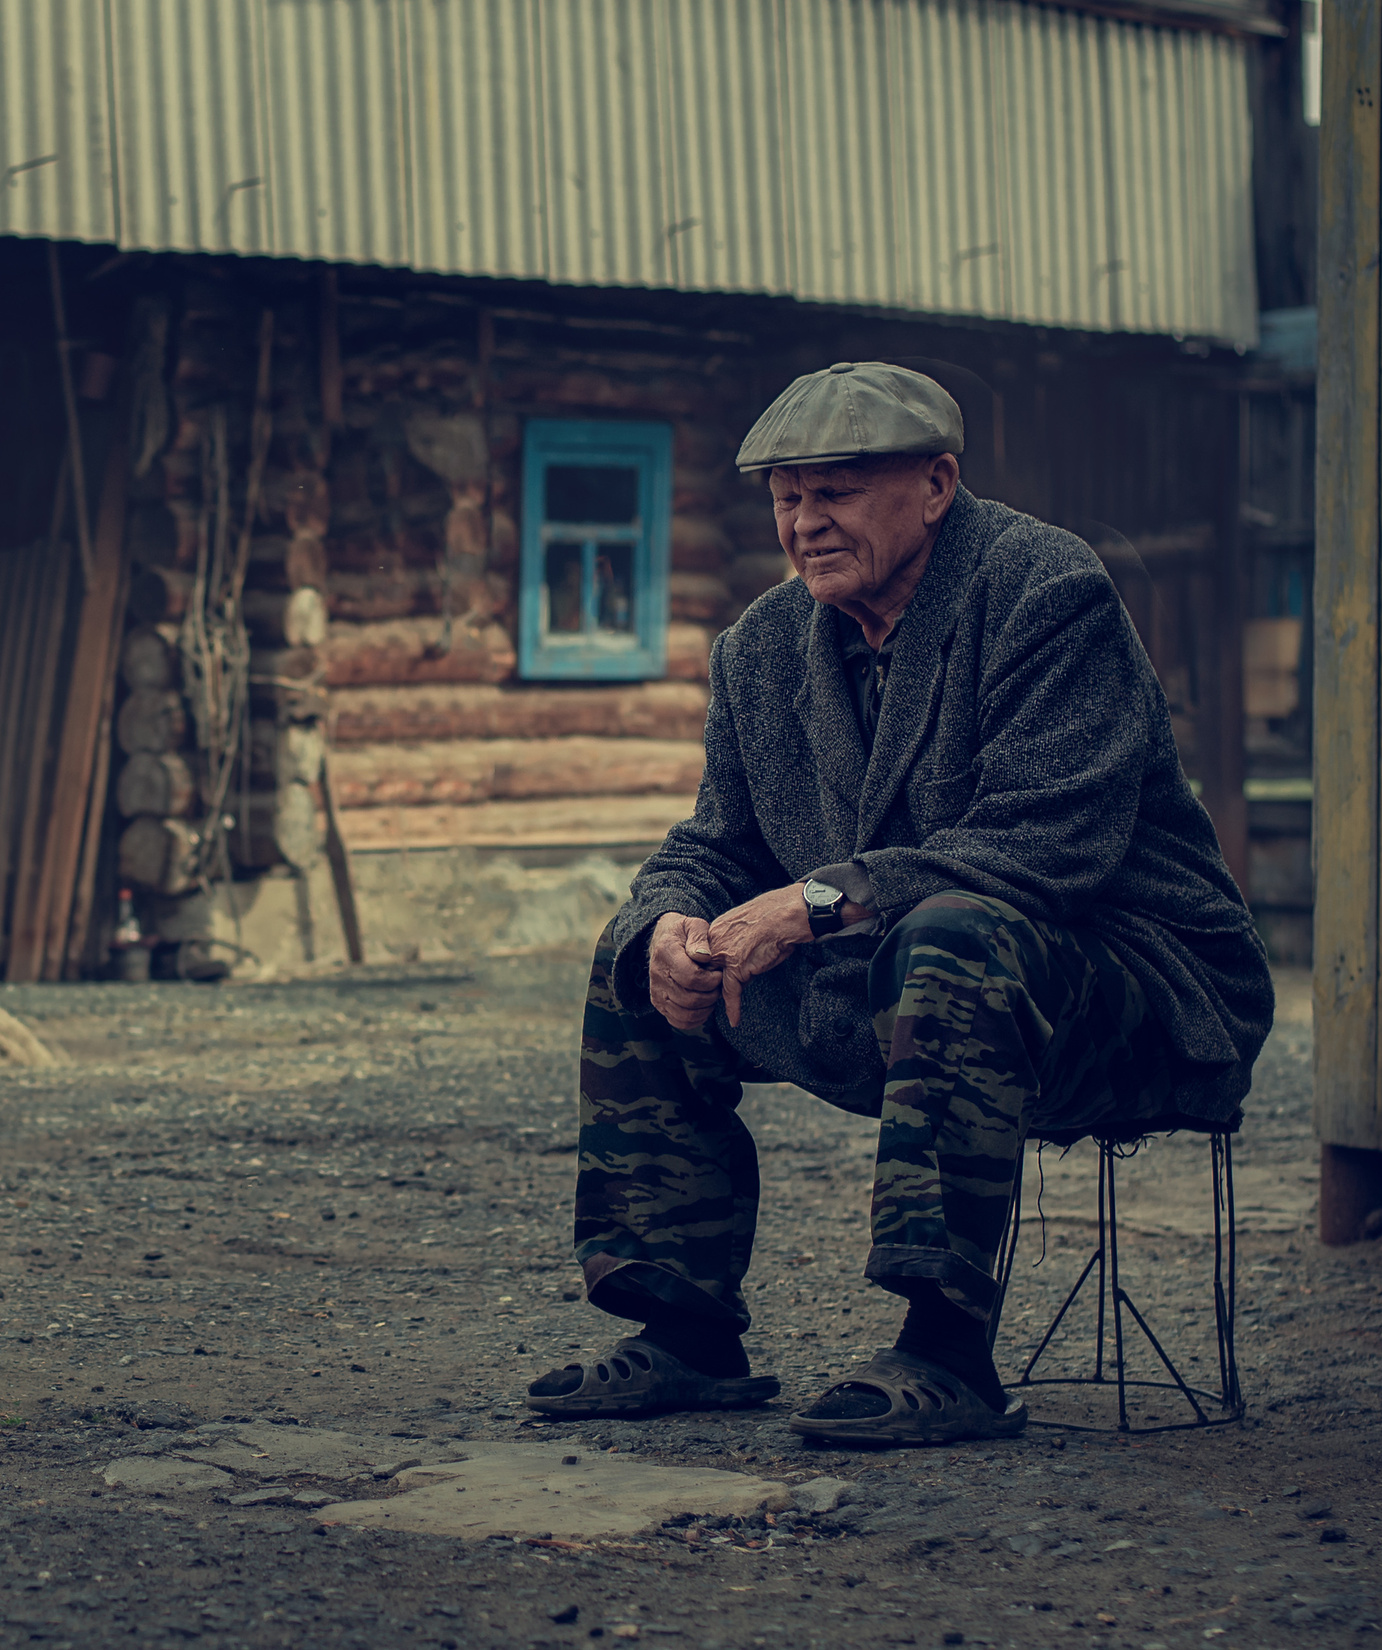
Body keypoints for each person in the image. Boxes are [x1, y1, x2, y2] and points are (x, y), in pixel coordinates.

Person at [524, 362, 1272, 1444]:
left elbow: (1044, 845)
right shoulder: (760, 650)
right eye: (787, 497)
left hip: (1131, 989)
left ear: (936, 485)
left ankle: (946, 1351)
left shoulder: (1045, 591)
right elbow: (715, 843)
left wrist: (813, 901)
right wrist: (672, 920)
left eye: (836, 492)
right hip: (891, 976)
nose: (805, 523)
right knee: (639, 951)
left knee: (953, 933)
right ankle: (682, 1330)